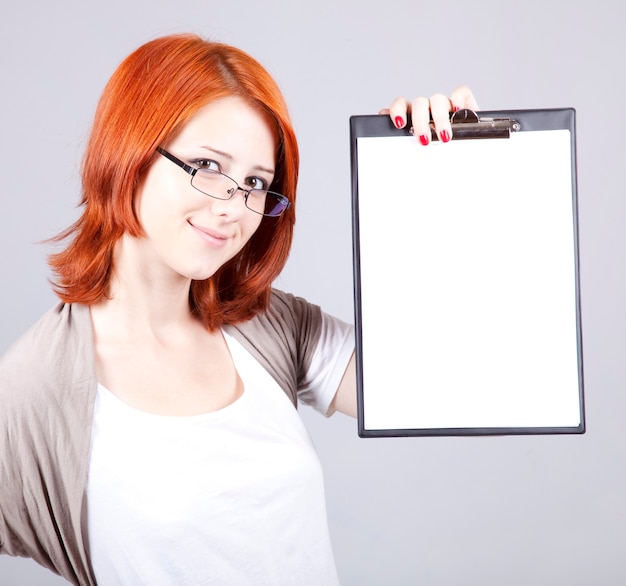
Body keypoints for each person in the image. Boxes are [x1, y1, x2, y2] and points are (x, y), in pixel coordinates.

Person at [0, 33, 478, 585]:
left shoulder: (269, 326)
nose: (233, 207)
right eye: (206, 164)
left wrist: (434, 180)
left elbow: (444, 388)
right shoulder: (36, 391)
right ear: (128, 151)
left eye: (256, 183)